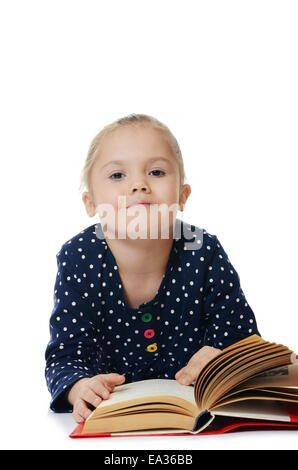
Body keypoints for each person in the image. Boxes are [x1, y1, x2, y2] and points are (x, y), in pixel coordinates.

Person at [45, 113, 260, 423]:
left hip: (198, 413)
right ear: (90, 203)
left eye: (156, 172)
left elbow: (243, 338)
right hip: (114, 417)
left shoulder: (203, 250)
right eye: (118, 175)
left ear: (182, 196)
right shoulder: (79, 257)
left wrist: (224, 358)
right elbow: (66, 353)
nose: (139, 185)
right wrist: (80, 388)